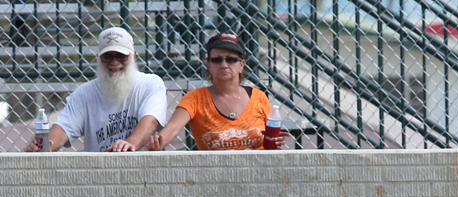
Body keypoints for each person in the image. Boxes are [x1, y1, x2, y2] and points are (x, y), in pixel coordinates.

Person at [24, 27, 167, 152]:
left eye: (121, 56)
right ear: (99, 58)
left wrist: (129, 144)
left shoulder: (151, 83)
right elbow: (63, 129)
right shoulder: (84, 93)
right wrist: (45, 145)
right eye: (107, 57)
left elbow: (151, 121)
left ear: (134, 55)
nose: (114, 62)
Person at [147, 33, 286, 151]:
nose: (224, 65)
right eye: (217, 60)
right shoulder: (195, 98)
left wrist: (275, 143)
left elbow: (269, 139)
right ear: (209, 65)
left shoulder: (259, 97)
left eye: (231, 59)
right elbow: (172, 128)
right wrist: (158, 141)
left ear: (241, 65)